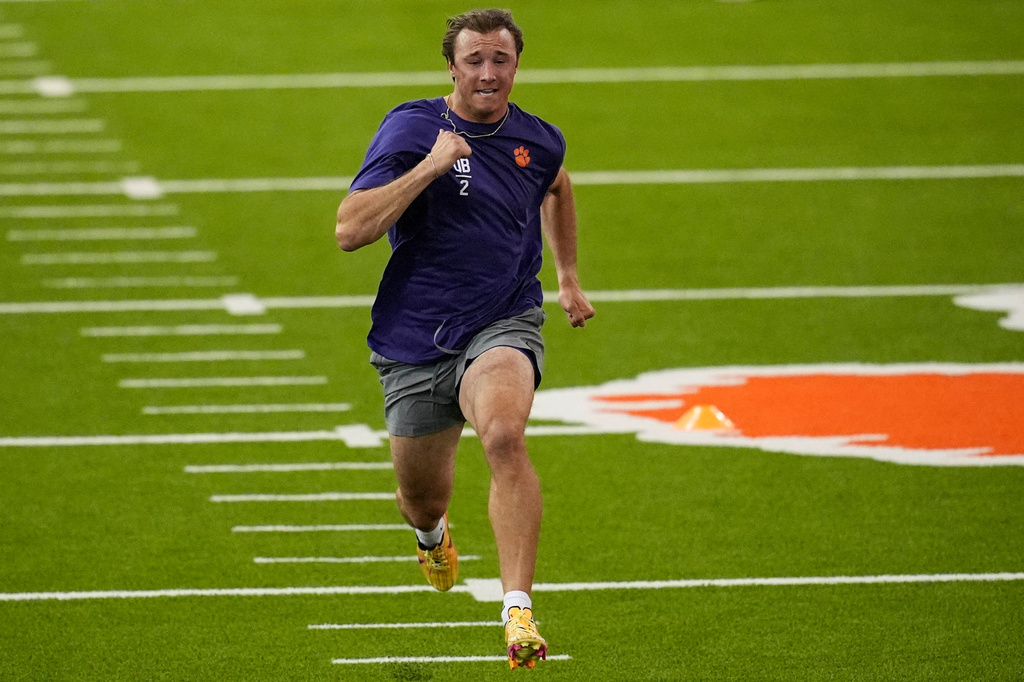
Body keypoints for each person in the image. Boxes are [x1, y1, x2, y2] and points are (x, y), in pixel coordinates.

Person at [335, 8, 594, 670]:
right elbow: (350, 229)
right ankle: (431, 535)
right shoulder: (413, 127)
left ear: (517, 65)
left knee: (505, 435)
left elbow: (557, 186)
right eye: (473, 60)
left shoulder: (539, 140)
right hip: (415, 338)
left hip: (503, 319)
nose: (487, 72)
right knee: (421, 497)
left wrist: (566, 277)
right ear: (450, 65)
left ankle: (517, 611)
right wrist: (431, 166)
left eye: (500, 60)